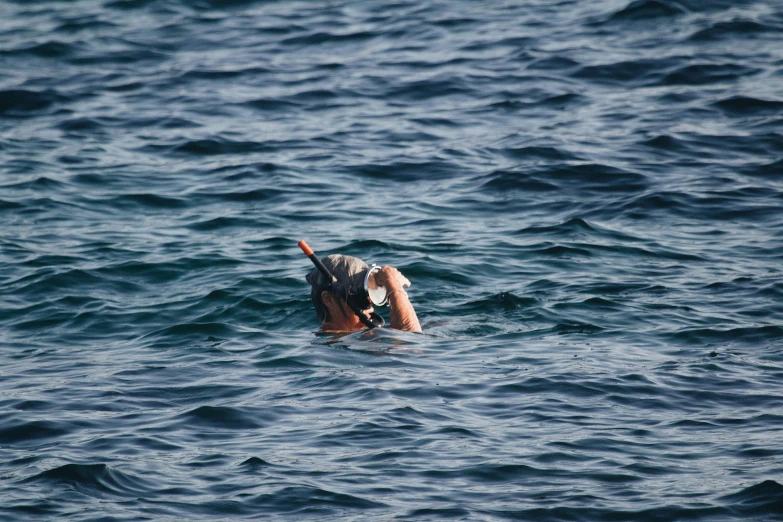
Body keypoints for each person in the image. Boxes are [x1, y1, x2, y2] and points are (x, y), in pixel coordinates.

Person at [306, 254, 422, 333]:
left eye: (371, 293)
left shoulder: (361, 337)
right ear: (328, 299)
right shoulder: (335, 345)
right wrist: (394, 285)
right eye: (360, 297)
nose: (370, 306)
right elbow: (411, 349)